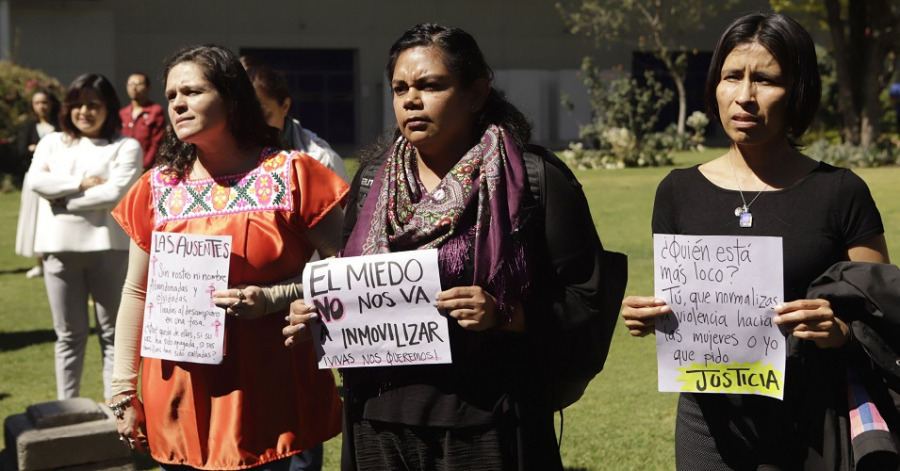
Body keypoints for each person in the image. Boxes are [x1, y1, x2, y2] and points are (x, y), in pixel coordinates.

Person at [283, 23, 610, 470]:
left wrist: (505, 315)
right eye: (400, 88)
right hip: (378, 420)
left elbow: (587, 298)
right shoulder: (369, 184)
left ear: (476, 94)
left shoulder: (534, 180)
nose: (411, 100)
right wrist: (322, 311)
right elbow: (355, 282)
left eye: (430, 85)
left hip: (488, 419)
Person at [621, 12, 890, 470]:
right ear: (715, 85)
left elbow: (885, 317)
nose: (745, 96)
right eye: (732, 76)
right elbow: (684, 303)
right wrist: (651, 316)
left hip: (814, 425)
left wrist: (840, 333)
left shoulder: (840, 193)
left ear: (798, 91)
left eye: (765, 79)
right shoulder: (677, 191)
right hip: (708, 426)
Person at [109, 45, 346, 470]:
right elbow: (136, 290)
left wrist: (274, 298)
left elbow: (348, 267)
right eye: (171, 95)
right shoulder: (156, 188)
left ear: (232, 97)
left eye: (192, 91)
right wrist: (123, 390)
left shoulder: (291, 175)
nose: (178, 103)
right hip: (177, 395)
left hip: (267, 391)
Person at [27, 74, 143, 400]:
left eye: (93, 105)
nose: (84, 112)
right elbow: (36, 181)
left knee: (113, 335)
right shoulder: (53, 142)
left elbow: (115, 193)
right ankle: (67, 411)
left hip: (109, 248)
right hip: (58, 248)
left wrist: (62, 201)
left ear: (109, 107)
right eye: (77, 104)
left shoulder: (126, 145)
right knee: (68, 335)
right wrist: (80, 183)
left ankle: (114, 413)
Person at [242, 58, 349, 183]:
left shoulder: (323, 162)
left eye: (264, 116)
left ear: (285, 106)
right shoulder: (224, 160)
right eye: (246, 116)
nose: (254, 126)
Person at [15, 88, 61, 279]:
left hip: (56, 179)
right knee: (35, 218)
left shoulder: (59, 126)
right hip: (35, 180)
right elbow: (21, 152)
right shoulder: (29, 127)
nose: (41, 107)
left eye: (45, 102)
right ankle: (40, 262)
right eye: (37, 103)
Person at [119, 72, 165, 170]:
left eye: (138, 83)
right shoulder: (122, 113)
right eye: (130, 84)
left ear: (148, 88)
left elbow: (156, 143)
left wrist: (144, 166)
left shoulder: (155, 111)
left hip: (147, 168)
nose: (134, 87)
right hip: (124, 166)